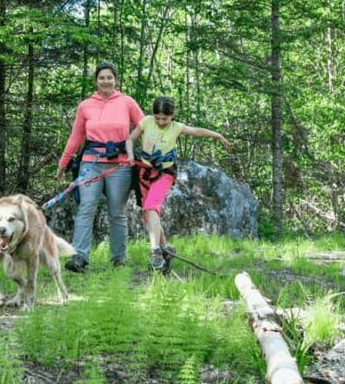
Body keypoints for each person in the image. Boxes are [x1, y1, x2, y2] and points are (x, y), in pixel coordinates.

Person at [126, 96, 232, 274]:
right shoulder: (146, 122)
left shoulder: (176, 127)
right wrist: (130, 154)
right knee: (149, 215)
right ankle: (166, 250)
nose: (160, 121)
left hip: (164, 174)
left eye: (165, 118)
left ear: (172, 115)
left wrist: (217, 135)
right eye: (157, 117)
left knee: (152, 208)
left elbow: (196, 131)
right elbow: (130, 138)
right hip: (144, 173)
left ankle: (155, 252)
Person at [55, 62, 144, 271]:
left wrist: (153, 152)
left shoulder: (127, 102)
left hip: (119, 165)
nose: (106, 81)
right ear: (96, 81)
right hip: (91, 164)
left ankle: (119, 259)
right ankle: (79, 257)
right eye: (101, 78)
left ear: (116, 80)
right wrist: (63, 163)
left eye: (109, 78)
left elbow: (144, 126)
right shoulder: (86, 105)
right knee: (86, 208)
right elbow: (76, 136)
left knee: (117, 213)